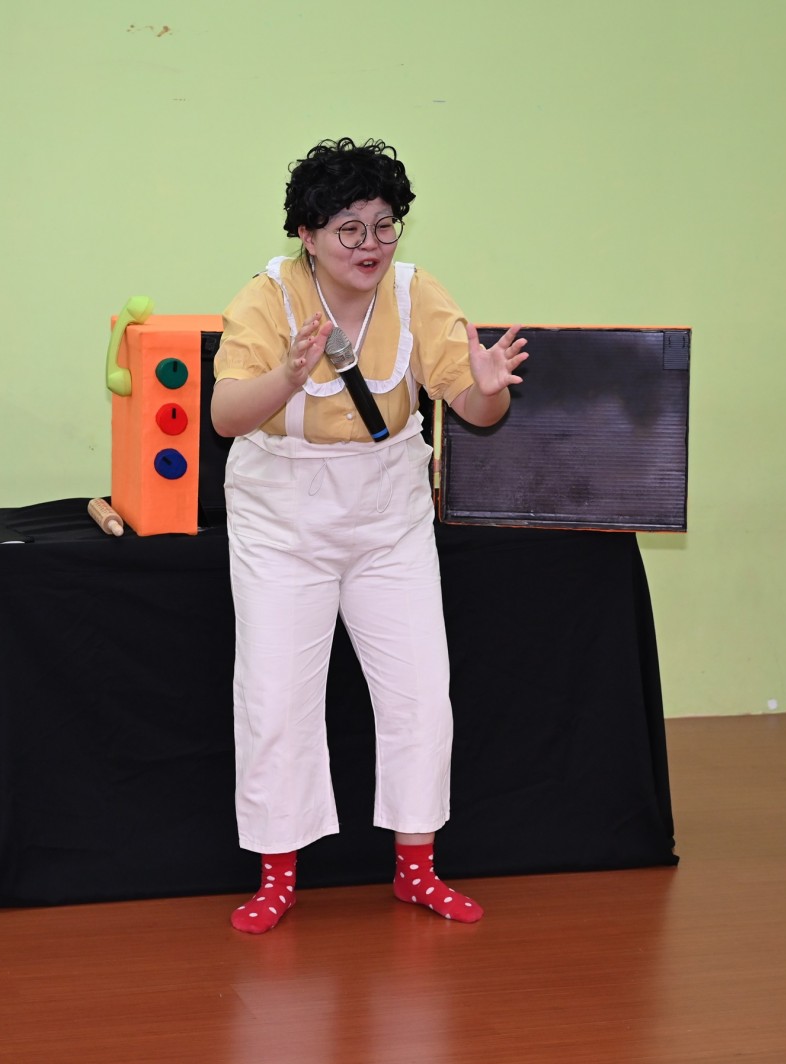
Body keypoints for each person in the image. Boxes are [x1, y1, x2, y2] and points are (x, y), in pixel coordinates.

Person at [210, 137, 528, 934]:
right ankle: (277, 876)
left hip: (389, 518)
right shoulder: (266, 299)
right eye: (348, 228)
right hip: (282, 519)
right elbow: (224, 416)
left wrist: (489, 390)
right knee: (276, 698)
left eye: (384, 225)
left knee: (420, 692)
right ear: (308, 233)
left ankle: (417, 868)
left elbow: (476, 407)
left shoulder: (419, 294)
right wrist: (288, 375)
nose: (370, 245)